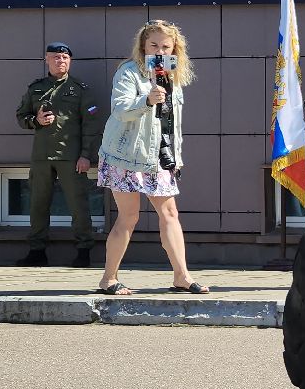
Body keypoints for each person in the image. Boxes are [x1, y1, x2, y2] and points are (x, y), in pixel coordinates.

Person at [96, 20, 202, 296]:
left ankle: (182, 276)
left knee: (170, 213)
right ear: (143, 45)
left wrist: (176, 157)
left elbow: (173, 122)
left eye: (166, 46)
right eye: (154, 44)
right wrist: (146, 100)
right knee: (128, 217)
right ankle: (109, 279)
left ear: (174, 49)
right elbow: (119, 110)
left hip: (159, 158)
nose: (159, 50)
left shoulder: (172, 74)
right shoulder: (129, 72)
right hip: (125, 156)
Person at [15, 42, 101, 269]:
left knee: (78, 205)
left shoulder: (80, 89)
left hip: (71, 157)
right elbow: (21, 116)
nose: (60, 61)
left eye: (64, 58)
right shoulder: (36, 88)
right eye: (55, 57)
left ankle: (84, 251)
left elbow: (91, 125)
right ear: (46, 59)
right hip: (42, 157)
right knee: (38, 204)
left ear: (69, 61)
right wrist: (36, 121)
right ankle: (37, 251)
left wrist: (85, 156)